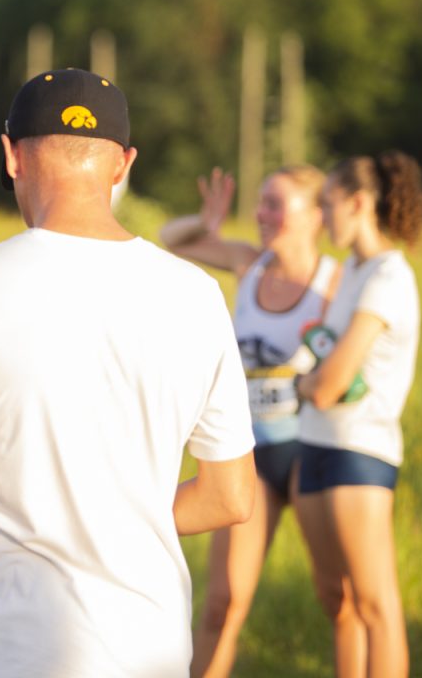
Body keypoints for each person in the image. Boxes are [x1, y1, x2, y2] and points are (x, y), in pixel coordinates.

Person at [0, 68, 257, 677]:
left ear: (11, 155)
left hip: (6, 651)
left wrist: (21, 508)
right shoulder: (196, 294)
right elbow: (230, 495)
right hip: (151, 647)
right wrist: (117, 514)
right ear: (123, 165)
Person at [159, 165, 338, 677]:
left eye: (275, 204)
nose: (261, 214)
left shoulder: (336, 283)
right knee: (222, 603)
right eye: (260, 203)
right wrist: (205, 220)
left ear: (315, 216)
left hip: (310, 451)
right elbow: (171, 240)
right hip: (250, 459)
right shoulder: (248, 262)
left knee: (336, 596)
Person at [293, 152, 422, 678]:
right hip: (315, 446)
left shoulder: (389, 277)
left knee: (375, 606)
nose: (322, 218)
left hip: (359, 453)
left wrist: (303, 383)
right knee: (338, 602)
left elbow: (328, 385)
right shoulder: (352, 269)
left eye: (327, 205)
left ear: (359, 202)